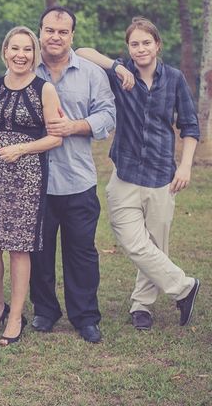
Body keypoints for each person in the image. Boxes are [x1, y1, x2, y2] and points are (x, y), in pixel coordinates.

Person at [76, 17, 201, 331]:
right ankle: (184, 287)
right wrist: (116, 66)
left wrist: (185, 165)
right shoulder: (121, 75)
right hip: (125, 174)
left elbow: (190, 126)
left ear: (157, 45)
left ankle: (142, 307)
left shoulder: (173, 79)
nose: (141, 48)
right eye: (135, 43)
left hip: (162, 176)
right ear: (128, 48)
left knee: (155, 247)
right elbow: (82, 51)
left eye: (147, 42)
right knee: (134, 242)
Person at [29, 6, 116, 343]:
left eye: (63, 32)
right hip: (35, 179)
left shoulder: (91, 73)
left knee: (82, 251)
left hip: (78, 178)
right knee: (39, 250)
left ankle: (85, 316)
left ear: (72, 36)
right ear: (40, 31)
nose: (55, 37)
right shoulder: (25, 67)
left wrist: (75, 126)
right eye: (50, 30)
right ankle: (44, 311)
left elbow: (108, 115)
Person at [0, 26, 62, 346]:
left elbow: (56, 137)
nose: (20, 55)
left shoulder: (45, 89)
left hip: (27, 175)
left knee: (18, 247)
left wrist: (21, 149)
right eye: (15, 48)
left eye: (27, 49)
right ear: (4, 52)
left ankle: (15, 316)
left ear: (35, 54)